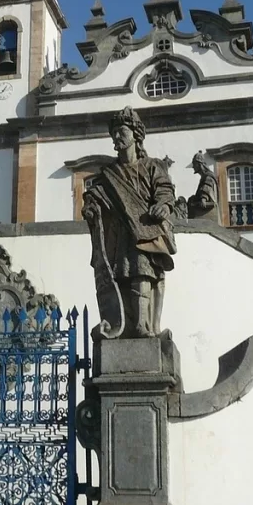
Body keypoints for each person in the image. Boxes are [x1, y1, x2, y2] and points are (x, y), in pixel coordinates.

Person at [83, 107, 176, 338]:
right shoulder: (109, 173)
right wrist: (90, 208)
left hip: (145, 227)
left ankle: (143, 324)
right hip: (119, 232)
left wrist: (164, 206)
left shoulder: (153, 166)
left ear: (136, 134)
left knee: (142, 272)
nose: (117, 137)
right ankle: (123, 325)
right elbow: (94, 195)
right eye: (114, 133)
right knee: (121, 276)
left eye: (121, 131)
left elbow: (165, 191)